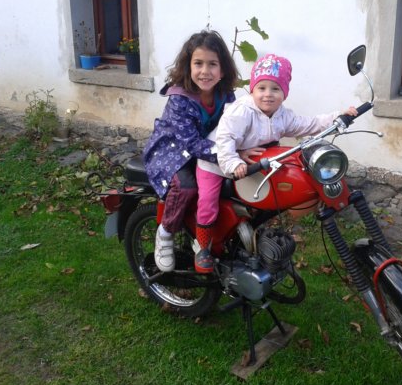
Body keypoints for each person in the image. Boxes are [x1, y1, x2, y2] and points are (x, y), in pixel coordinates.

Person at [195, 53, 357, 271]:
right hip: (215, 164)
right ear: (252, 90)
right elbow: (225, 139)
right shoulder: (242, 111)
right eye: (261, 88)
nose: (268, 95)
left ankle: (245, 243)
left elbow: (307, 124)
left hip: (248, 164)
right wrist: (233, 163)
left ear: (284, 93)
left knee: (255, 204)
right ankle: (203, 247)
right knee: (208, 202)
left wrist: (337, 118)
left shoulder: (282, 115)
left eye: (275, 89)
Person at [142, 30, 238, 274]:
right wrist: (229, 156)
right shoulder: (180, 98)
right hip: (172, 152)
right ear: (188, 66)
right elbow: (191, 143)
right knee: (186, 186)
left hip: (208, 149)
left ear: (223, 70)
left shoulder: (225, 95)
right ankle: (165, 233)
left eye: (212, 64)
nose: (205, 71)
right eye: (198, 63)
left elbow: (235, 125)